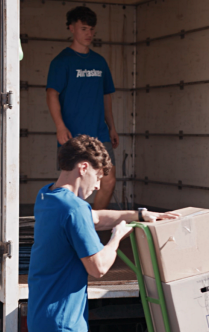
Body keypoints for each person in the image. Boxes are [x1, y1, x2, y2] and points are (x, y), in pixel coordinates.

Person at [10, 136, 179, 332]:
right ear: (83, 167)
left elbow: (93, 217)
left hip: (69, 319)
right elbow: (99, 266)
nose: (99, 185)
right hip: (59, 324)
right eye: (99, 177)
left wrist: (138, 214)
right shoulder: (71, 208)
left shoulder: (49, 195)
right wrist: (117, 237)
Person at [47, 6, 119, 211]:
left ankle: (93, 223)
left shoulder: (100, 62)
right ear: (71, 28)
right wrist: (60, 126)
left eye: (91, 29)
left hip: (100, 132)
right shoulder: (62, 61)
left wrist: (112, 127)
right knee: (73, 184)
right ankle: (71, 226)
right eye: (84, 28)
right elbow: (51, 94)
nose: (89, 34)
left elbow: (106, 96)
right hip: (73, 133)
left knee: (108, 180)